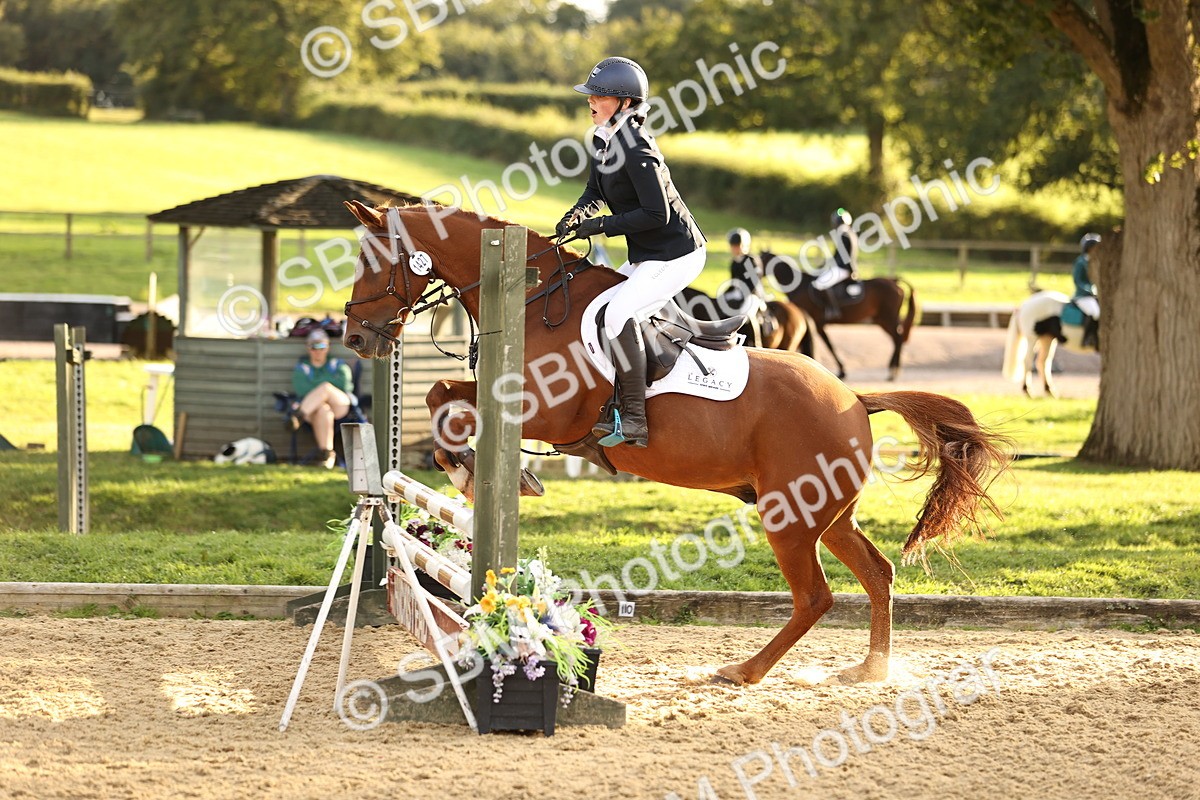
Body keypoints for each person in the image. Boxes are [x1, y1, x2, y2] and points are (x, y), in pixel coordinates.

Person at [555, 56, 707, 448]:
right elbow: (594, 192)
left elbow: (656, 213)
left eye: (599, 96)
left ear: (625, 103)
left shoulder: (638, 147)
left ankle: (635, 418)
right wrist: (577, 216)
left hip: (676, 253)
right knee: (596, 303)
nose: (590, 101)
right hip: (648, 253)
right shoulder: (604, 140)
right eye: (590, 94)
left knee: (619, 312)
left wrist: (602, 226)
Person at [290, 329, 354, 468]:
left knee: (325, 388)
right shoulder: (302, 367)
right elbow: (301, 389)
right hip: (315, 411)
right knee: (324, 410)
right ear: (308, 348)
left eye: (321, 347)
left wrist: (320, 387)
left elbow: (345, 385)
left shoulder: (338, 364)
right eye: (314, 347)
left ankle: (298, 416)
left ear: (328, 347)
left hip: (339, 405)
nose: (317, 351)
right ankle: (327, 456)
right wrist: (329, 383)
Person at [811, 208, 859, 320]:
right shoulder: (849, 232)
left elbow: (846, 256)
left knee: (819, 284)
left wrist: (852, 271)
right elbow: (837, 255)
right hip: (842, 267)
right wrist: (824, 265)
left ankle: (833, 309)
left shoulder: (843, 234)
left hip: (843, 269)